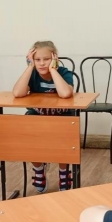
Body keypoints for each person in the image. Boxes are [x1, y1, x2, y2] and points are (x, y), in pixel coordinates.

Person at [12, 40, 75, 192]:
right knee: (26, 135)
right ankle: (39, 169)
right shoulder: (32, 73)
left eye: (46, 59)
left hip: (62, 118)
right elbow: (18, 93)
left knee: (65, 138)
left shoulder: (64, 73)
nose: (41, 63)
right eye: (37, 59)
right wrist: (29, 67)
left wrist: (53, 70)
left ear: (54, 58)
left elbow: (65, 93)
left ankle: (64, 172)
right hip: (37, 117)